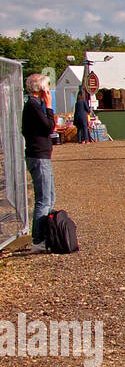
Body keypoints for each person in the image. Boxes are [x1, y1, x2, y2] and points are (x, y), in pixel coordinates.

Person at [22, 73, 56, 250]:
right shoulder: (34, 106)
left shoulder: (34, 105)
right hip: (38, 156)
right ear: (42, 88)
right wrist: (49, 106)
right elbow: (49, 127)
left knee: (50, 197)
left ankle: (46, 234)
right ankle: (38, 240)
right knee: (43, 200)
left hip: (41, 154)